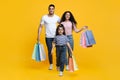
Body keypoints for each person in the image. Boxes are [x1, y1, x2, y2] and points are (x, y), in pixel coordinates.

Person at [37, 4, 60, 70]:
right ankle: (51, 64)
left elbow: (62, 25)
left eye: (52, 8)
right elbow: (40, 27)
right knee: (50, 51)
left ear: (54, 9)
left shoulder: (57, 17)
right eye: (50, 8)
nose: (51, 10)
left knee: (58, 51)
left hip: (56, 37)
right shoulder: (44, 17)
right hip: (48, 37)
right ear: (48, 9)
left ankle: (58, 65)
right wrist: (38, 36)